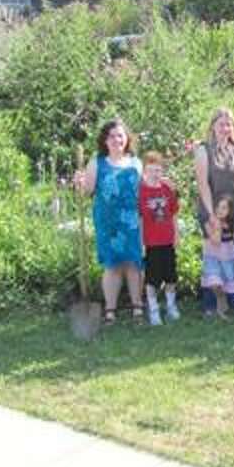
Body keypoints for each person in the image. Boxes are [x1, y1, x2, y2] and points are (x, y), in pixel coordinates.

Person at [74, 118, 144, 325]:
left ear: (127, 139)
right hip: (107, 222)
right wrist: (79, 184)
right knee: (112, 265)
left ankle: (137, 307)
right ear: (105, 140)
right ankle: (110, 310)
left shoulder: (136, 163)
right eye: (112, 136)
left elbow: (143, 191)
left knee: (134, 263)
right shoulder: (97, 163)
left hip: (131, 220)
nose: (116, 140)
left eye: (120, 135)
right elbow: (86, 192)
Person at [194, 108, 234, 315]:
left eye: (229, 124)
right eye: (221, 124)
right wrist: (211, 216)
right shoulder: (203, 150)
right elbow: (203, 184)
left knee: (231, 255)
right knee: (213, 255)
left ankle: (232, 297)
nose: (225, 128)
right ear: (213, 126)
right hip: (211, 210)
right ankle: (210, 301)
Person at [138, 150, 180, 325]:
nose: (155, 174)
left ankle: (171, 306)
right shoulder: (141, 192)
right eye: (151, 170)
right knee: (152, 279)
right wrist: (140, 241)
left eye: (158, 170)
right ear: (144, 172)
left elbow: (174, 214)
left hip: (167, 240)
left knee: (171, 276)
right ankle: (153, 308)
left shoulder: (167, 190)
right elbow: (140, 218)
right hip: (151, 242)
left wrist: (176, 234)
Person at [203, 195, 234, 316]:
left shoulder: (229, 224)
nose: (220, 210)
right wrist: (217, 227)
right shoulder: (209, 224)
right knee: (214, 282)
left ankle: (227, 305)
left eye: (224, 208)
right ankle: (216, 303)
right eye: (217, 207)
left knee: (228, 281)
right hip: (214, 258)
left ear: (229, 211)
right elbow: (216, 241)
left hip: (228, 257)